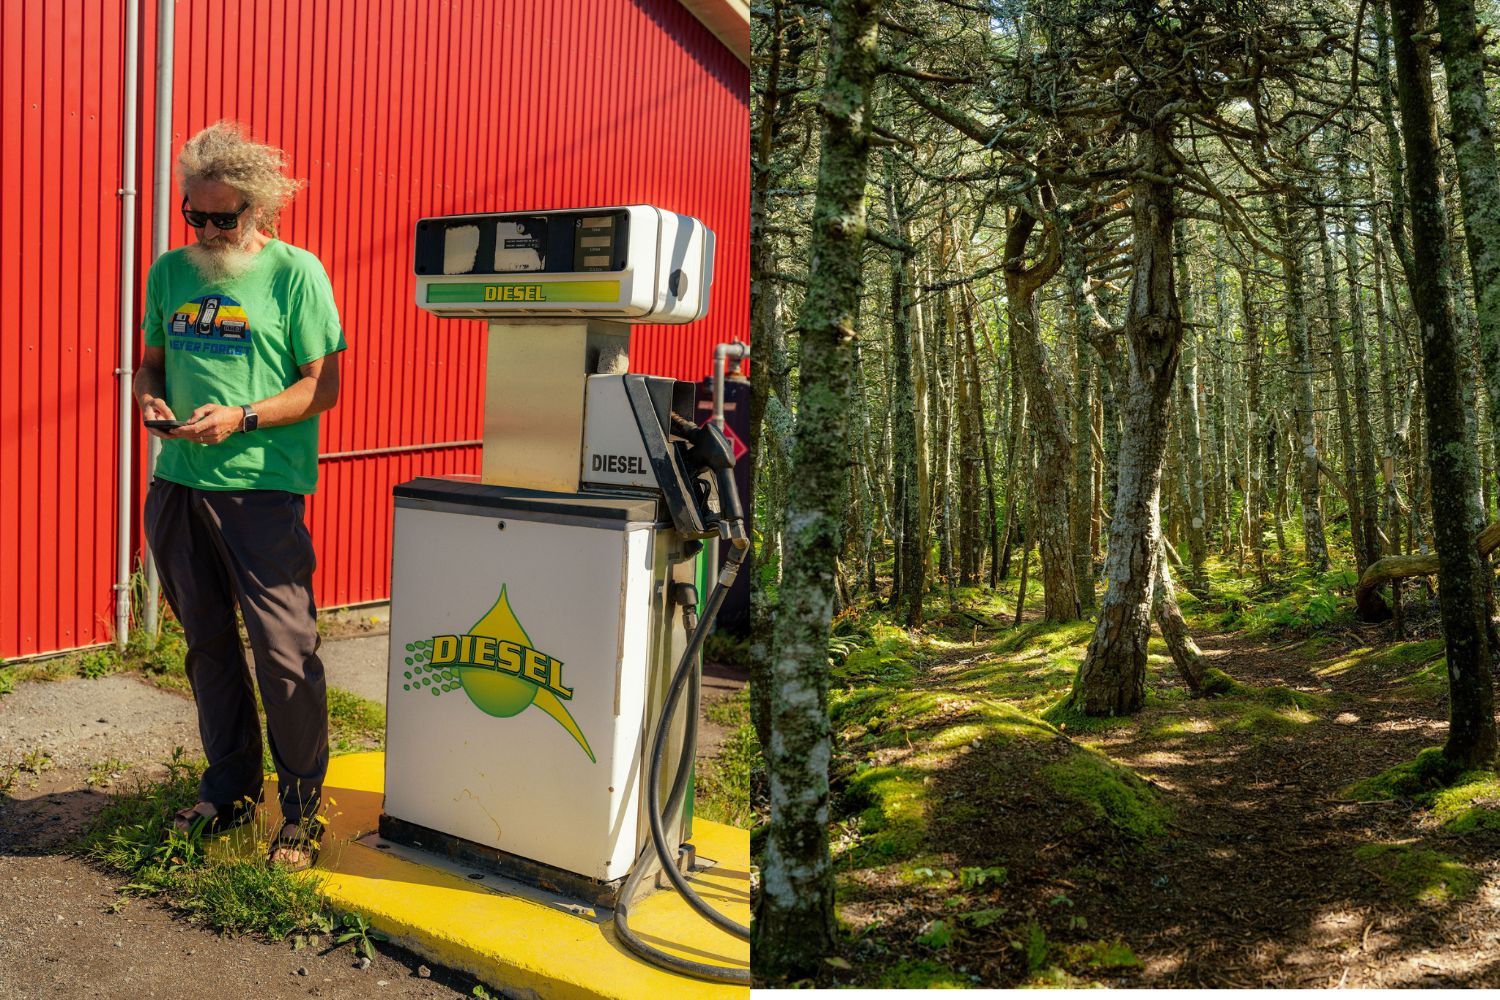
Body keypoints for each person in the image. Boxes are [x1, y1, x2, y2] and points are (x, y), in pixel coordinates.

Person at [133, 121, 346, 870]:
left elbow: (325, 388)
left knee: (286, 657)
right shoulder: (170, 271)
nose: (208, 228)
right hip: (178, 487)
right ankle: (229, 790)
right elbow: (150, 365)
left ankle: (302, 806)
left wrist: (243, 416)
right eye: (196, 213)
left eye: (224, 217)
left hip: (262, 491)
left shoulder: (296, 274)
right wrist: (151, 404)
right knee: (208, 649)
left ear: (258, 209)